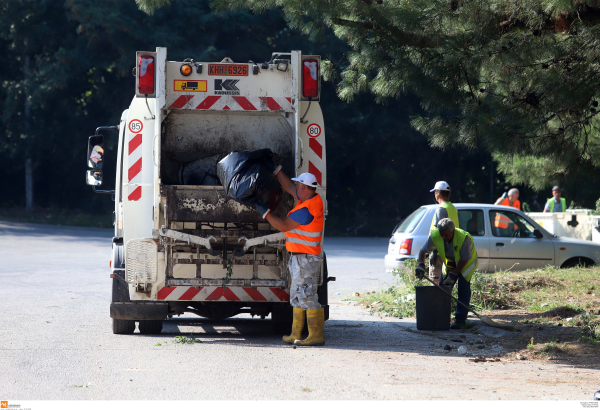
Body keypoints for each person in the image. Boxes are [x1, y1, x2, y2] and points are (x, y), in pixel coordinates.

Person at [253, 167, 325, 346]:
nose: (296, 187)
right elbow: (288, 186)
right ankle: (295, 334)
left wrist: (265, 213)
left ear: (304, 187)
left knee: (308, 296)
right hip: (300, 258)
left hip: (306, 259)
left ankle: (316, 335)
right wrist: (277, 170)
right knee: (297, 295)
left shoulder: (307, 208)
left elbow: (284, 226)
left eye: (298, 184)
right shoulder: (307, 198)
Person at [415, 218, 478, 329]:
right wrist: (421, 265)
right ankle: (441, 319)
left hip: (466, 265)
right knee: (442, 291)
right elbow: (423, 251)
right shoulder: (435, 235)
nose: (443, 237)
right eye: (442, 235)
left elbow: (464, 260)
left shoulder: (464, 238)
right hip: (450, 264)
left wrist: (454, 274)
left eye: (446, 235)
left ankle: (460, 321)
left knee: (463, 291)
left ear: (453, 231)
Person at [428, 181, 459, 283]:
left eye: (435, 192)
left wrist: (434, 252)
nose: (434, 194)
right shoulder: (453, 208)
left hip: (439, 251)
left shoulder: (441, 209)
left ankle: (436, 299)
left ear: (438, 192)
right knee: (445, 282)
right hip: (450, 250)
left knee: (434, 283)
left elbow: (438, 233)